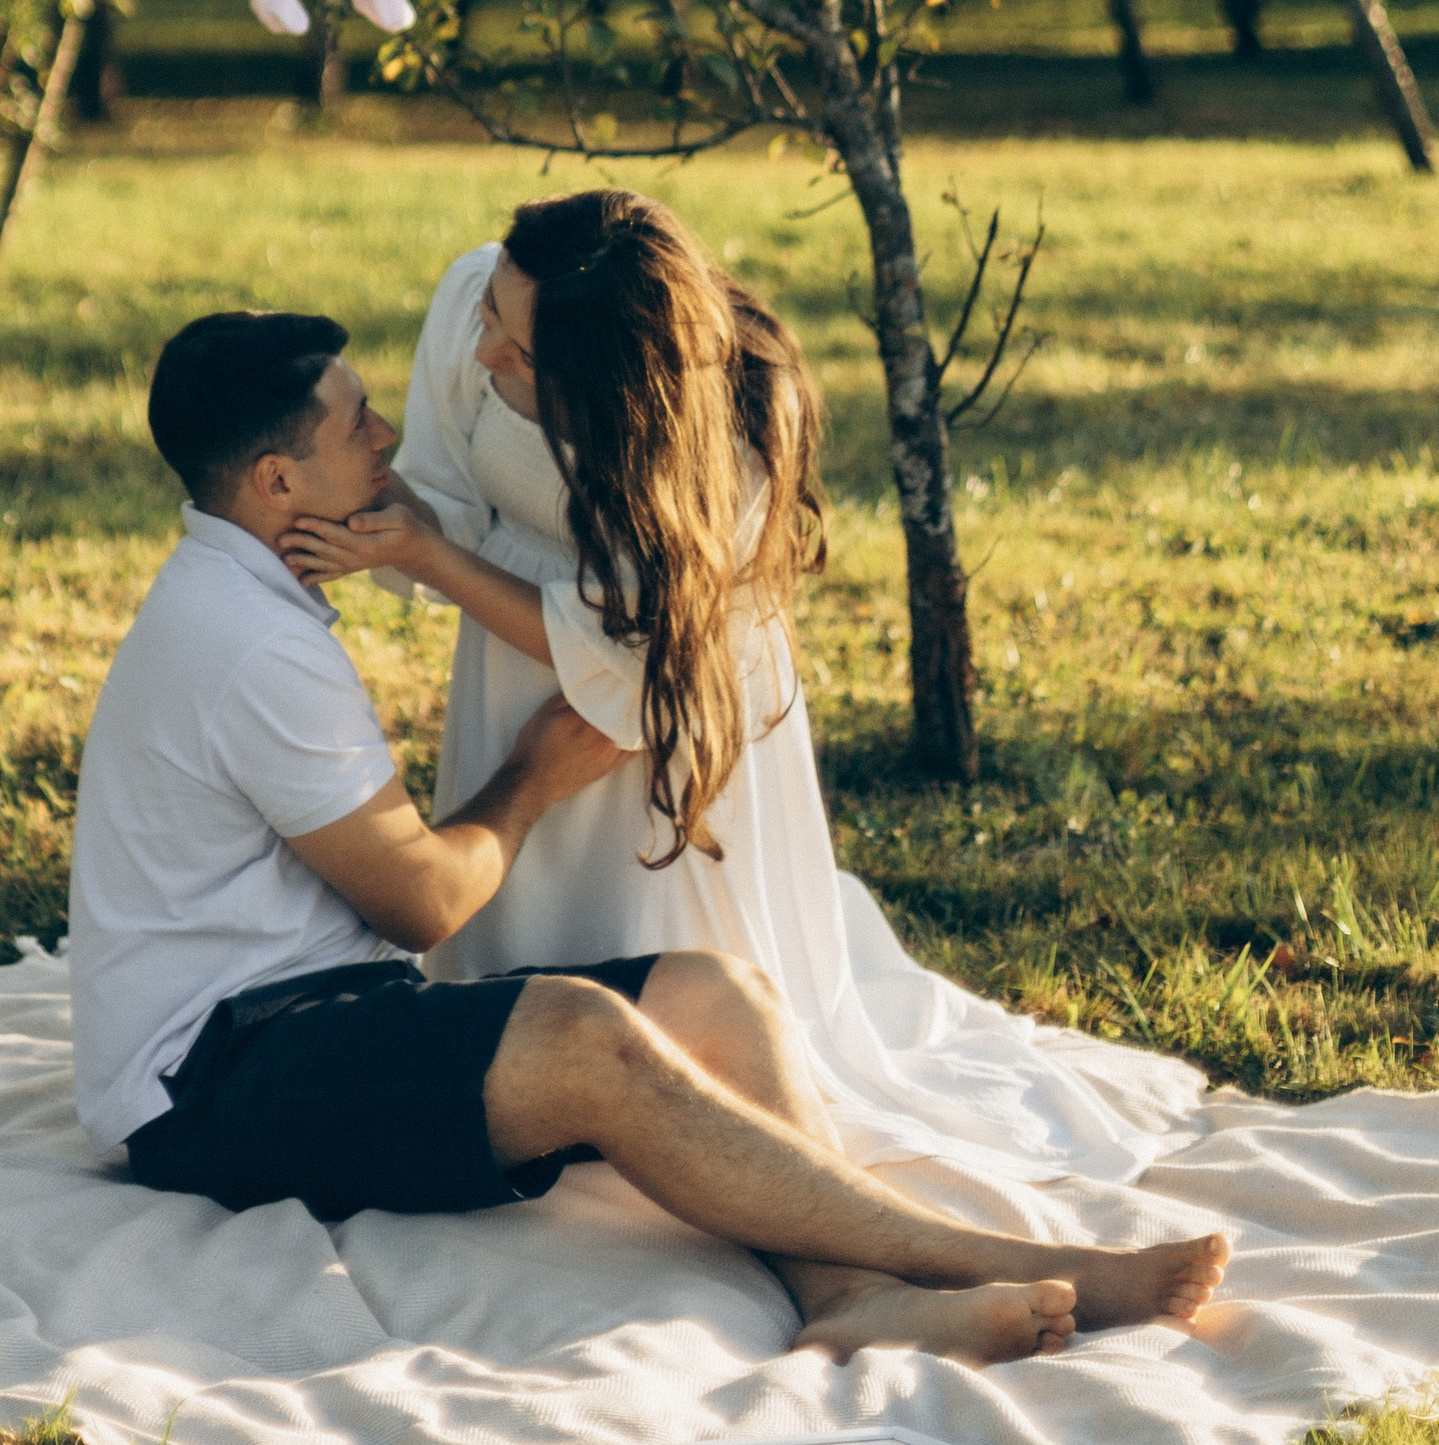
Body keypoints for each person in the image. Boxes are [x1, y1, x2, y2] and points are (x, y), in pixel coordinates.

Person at [67, 305, 1227, 1365]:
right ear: (277, 481)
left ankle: (848, 1299)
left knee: (717, 993)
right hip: (210, 1085)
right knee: (585, 1037)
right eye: (356, 422)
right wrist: (534, 774)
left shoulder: (241, 602)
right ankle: (988, 1259)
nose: (385, 438)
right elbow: (418, 902)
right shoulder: (250, 646)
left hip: (313, 1016)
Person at [281, 193, 1203, 1186]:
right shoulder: (485, 293)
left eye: (522, 349)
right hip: (512, 659)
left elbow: (640, 660)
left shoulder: (729, 439)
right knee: (521, 927)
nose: (486, 349)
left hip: (666, 691)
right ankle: (541, 1061)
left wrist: (436, 560)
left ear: (614, 380)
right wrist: (362, 525)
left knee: (660, 956)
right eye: (492, 314)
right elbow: (445, 492)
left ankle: (681, 1083)